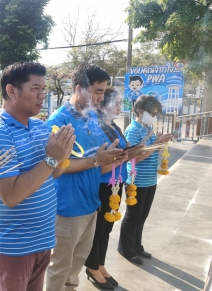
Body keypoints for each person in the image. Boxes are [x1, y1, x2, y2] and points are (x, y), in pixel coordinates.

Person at [0, 62, 75, 291]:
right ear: (11, 91)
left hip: (42, 240)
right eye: (35, 89)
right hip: (13, 247)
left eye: (43, 89)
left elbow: (54, 173)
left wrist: (62, 155)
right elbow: (11, 196)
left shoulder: (40, 127)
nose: (42, 96)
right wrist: (51, 159)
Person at [45, 64, 127, 291]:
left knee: (76, 265)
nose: (102, 97)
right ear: (80, 89)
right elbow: (53, 168)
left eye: (103, 92)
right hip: (68, 208)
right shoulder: (58, 121)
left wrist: (115, 157)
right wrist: (96, 161)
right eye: (98, 91)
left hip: (92, 205)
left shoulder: (91, 118)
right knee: (60, 267)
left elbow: (97, 163)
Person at [84, 88, 142, 289]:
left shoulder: (113, 126)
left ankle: (100, 264)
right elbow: (98, 164)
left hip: (116, 185)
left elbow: (122, 156)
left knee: (107, 228)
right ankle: (92, 267)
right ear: (101, 104)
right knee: (99, 229)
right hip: (103, 185)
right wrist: (121, 158)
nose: (119, 107)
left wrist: (134, 152)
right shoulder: (97, 128)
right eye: (115, 103)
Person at [118, 95, 173, 265]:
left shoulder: (148, 128)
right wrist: (155, 143)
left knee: (142, 216)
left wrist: (160, 143)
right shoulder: (133, 130)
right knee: (133, 215)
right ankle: (126, 248)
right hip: (137, 180)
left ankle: (137, 245)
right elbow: (135, 158)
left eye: (157, 114)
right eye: (153, 113)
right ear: (140, 112)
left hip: (150, 179)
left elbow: (150, 152)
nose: (155, 117)